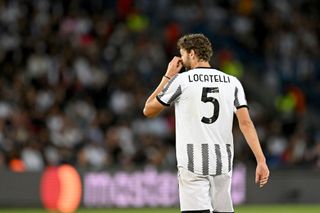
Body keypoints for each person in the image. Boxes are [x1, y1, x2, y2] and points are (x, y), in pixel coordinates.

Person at [143, 33, 269, 213]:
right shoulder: (233, 82)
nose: (182, 59)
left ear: (192, 53)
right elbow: (246, 123)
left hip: (192, 161)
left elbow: (148, 109)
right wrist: (261, 160)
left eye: (183, 53)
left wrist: (168, 75)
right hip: (222, 162)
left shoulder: (182, 80)